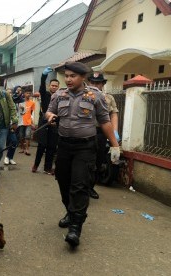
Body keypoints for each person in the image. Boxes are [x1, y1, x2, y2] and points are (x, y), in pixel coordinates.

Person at [45, 62, 120, 248]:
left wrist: (115, 145)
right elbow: (49, 111)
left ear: (83, 78)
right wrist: (49, 117)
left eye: (73, 76)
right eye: (67, 76)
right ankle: (70, 213)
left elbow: (105, 121)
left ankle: (75, 228)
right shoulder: (59, 94)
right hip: (63, 146)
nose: (69, 79)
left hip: (85, 148)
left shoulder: (96, 96)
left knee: (79, 185)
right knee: (63, 182)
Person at [87, 72, 120, 199]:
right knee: (84, 160)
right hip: (85, 131)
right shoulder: (83, 95)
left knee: (98, 161)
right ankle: (80, 187)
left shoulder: (108, 98)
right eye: (92, 82)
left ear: (103, 84)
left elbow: (113, 114)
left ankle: (90, 187)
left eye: (98, 83)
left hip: (101, 133)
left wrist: (114, 131)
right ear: (89, 83)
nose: (94, 85)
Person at [32, 67, 59, 175]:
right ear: (49, 86)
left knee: (52, 147)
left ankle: (47, 168)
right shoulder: (45, 94)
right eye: (52, 85)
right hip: (44, 121)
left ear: (58, 87)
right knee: (42, 145)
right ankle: (35, 165)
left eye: (56, 86)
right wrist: (43, 76)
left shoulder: (61, 96)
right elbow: (42, 86)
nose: (54, 87)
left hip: (54, 123)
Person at [4, 86, 21, 166]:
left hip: (12, 125)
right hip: (2, 126)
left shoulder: (14, 103)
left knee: (14, 141)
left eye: (10, 93)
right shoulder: (2, 103)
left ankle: (9, 157)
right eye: (7, 93)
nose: (9, 94)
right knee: (0, 145)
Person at [17, 87, 35, 156]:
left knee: (27, 135)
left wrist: (32, 121)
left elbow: (31, 113)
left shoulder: (32, 103)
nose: (28, 94)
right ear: (24, 94)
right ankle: (22, 148)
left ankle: (27, 149)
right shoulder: (21, 102)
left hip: (28, 122)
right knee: (21, 136)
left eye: (29, 93)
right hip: (21, 122)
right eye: (27, 93)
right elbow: (19, 113)